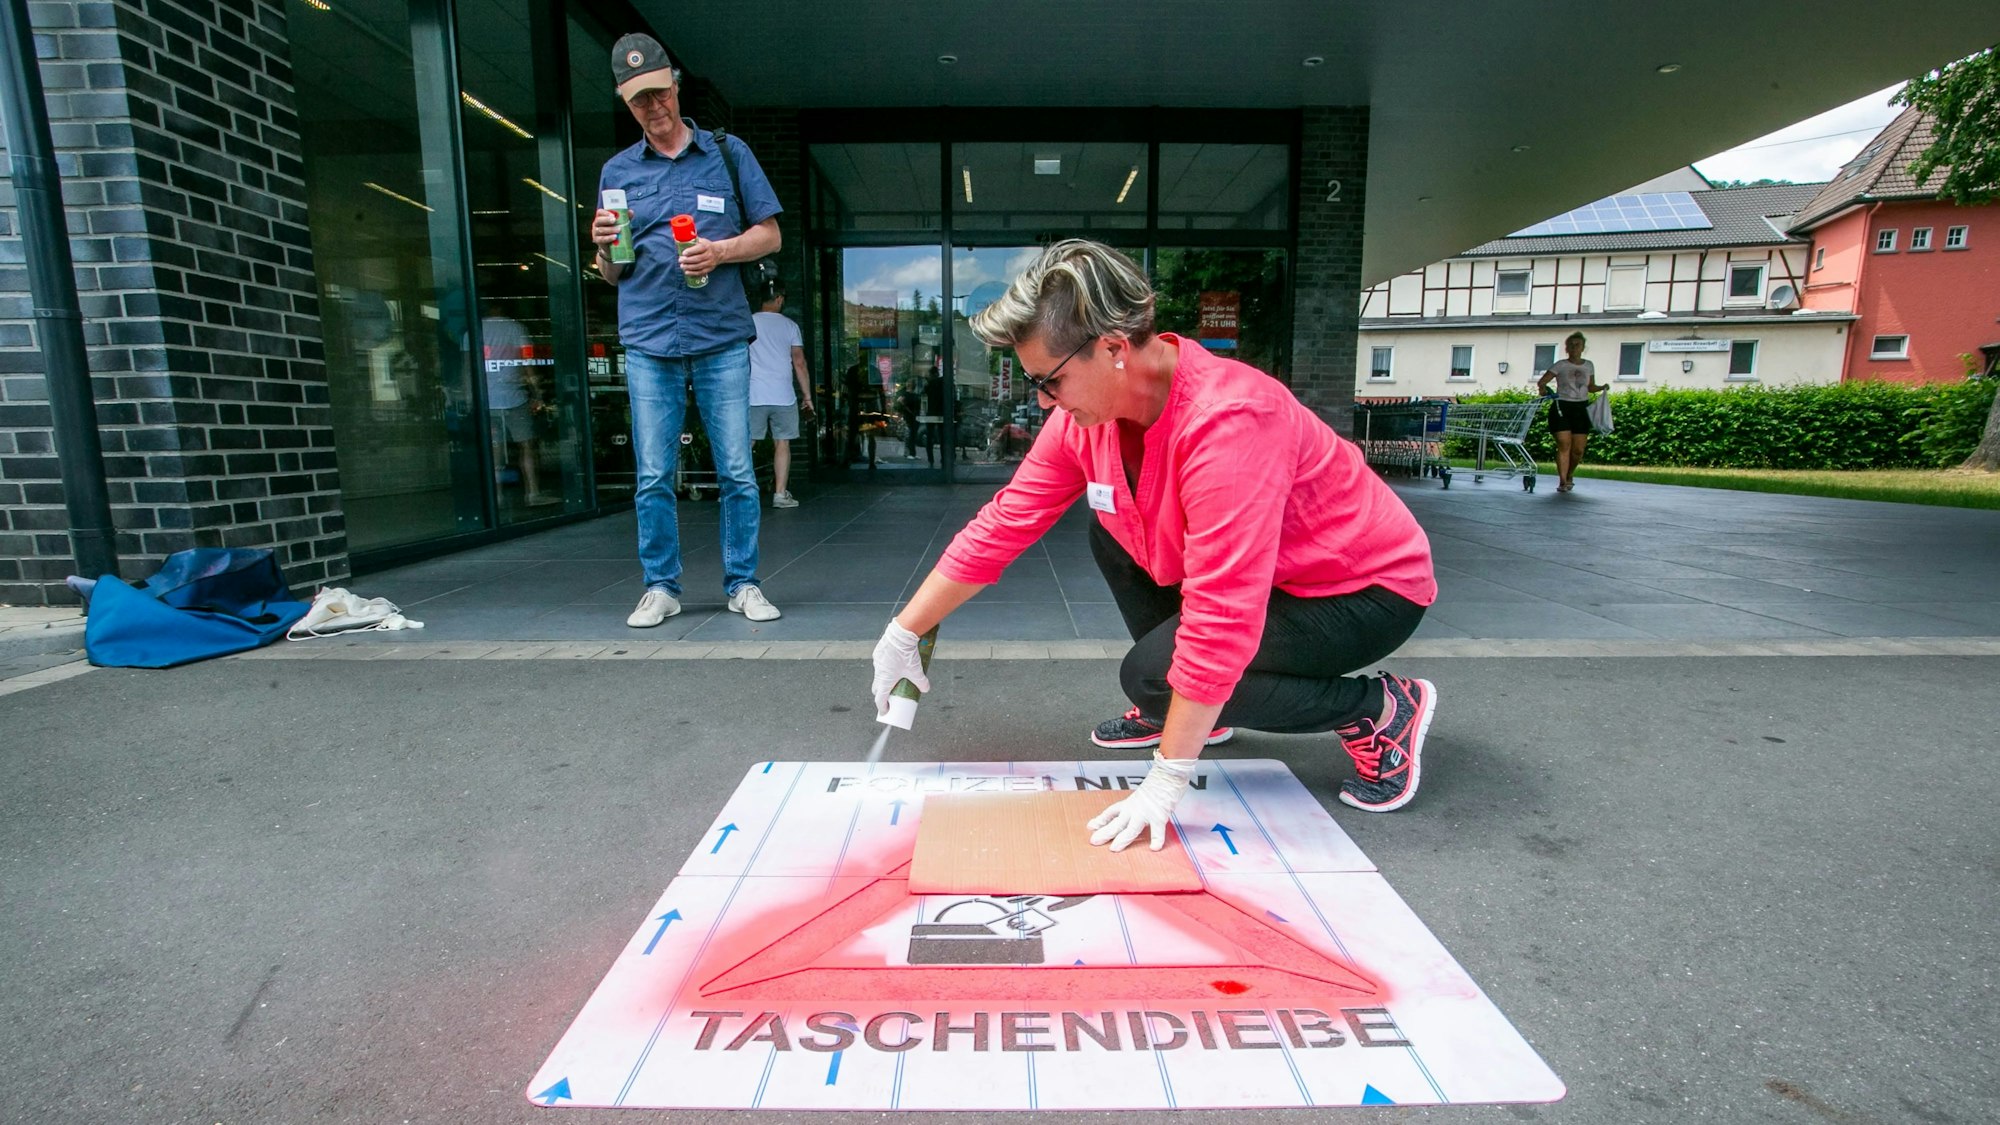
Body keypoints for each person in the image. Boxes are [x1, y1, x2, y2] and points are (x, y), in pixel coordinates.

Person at [869, 240, 1439, 852]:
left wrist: (1167, 778)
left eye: (1049, 381)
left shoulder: (1230, 420)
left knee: (1150, 675)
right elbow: (1006, 522)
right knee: (1110, 525)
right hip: (1272, 581)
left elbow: (1223, 614)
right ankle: (1197, 711)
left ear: (1113, 348)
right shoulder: (1082, 421)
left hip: (1359, 591)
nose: (1041, 400)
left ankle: (1378, 708)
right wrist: (905, 630)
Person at [590, 33, 782, 625]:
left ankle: (743, 582)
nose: (653, 107)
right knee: (652, 474)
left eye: (658, 92)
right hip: (648, 337)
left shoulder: (729, 154)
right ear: (628, 105)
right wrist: (601, 248)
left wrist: (720, 252)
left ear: (675, 85)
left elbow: (770, 235)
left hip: (720, 334)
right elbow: (611, 271)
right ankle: (661, 586)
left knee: (737, 471)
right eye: (638, 100)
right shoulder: (617, 170)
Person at [748, 281, 813, 508]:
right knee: (782, 443)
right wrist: (807, 397)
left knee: (747, 442)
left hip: (753, 393)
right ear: (779, 299)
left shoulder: (748, 323)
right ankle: (780, 494)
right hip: (783, 395)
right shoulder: (790, 326)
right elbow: (799, 363)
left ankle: (737, 491)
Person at [481, 311, 550, 506]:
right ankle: (533, 493)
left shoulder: (475, 330)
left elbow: (468, 364)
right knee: (527, 445)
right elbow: (527, 361)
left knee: (494, 449)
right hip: (515, 396)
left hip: (488, 398)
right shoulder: (516, 328)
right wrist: (537, 393)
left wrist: (470, 396)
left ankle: (497, 496)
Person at [1536, 331, 1607, 494]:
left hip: (1581, 408)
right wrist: (1543, 390)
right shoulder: (1560, 365)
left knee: (1578, 449)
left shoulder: (1588, 365)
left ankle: (1570, 474)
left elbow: (1590, 387)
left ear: (1583, 347)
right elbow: (1543, 381)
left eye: (1578, 345)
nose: (1575, 348)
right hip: (1562, 407)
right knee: (1564, 444)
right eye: (1571, 345)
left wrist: (1602, 388)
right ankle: (1562, 480)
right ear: (1567, 348)